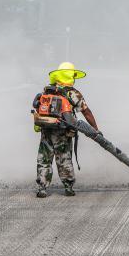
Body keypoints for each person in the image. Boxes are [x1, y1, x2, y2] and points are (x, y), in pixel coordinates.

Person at [33, 62, 100, 198]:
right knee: (64, 158)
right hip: (63, 131)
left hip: (46, 129)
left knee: (44, 159)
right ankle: (68, 187)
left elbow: (39, 108)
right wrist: (95, 129)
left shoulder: (48, 89)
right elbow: (86, 112)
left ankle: (42, 188)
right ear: (70, 75)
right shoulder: (72, 93)